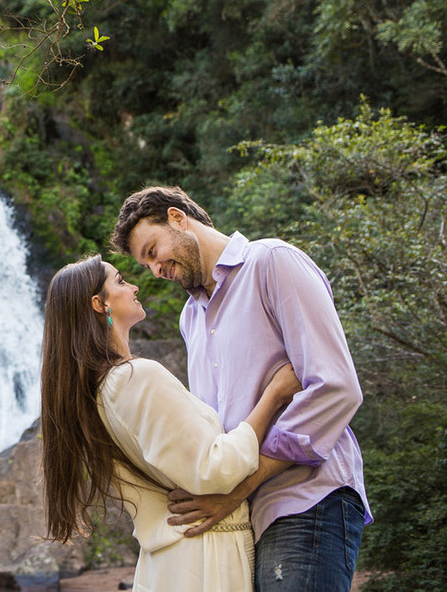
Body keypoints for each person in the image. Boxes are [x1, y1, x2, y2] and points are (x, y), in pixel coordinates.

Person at [111, 186, 371, 592]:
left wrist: (241, 488)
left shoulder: (272, 262)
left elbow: (335, 387)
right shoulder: (189, 318)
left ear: (178, 219)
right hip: (242, 517)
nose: (154, 270)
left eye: (152, 250)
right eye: (145, 264)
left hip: (306, 498)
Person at [41, 255, 302, 591]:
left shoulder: (99, 393)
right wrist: (275, 395)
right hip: (203, 560)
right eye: (120, 281)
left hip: (173, 561)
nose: (134, 286)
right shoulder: (136, 378)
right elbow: (215, 469)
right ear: (99, 303)